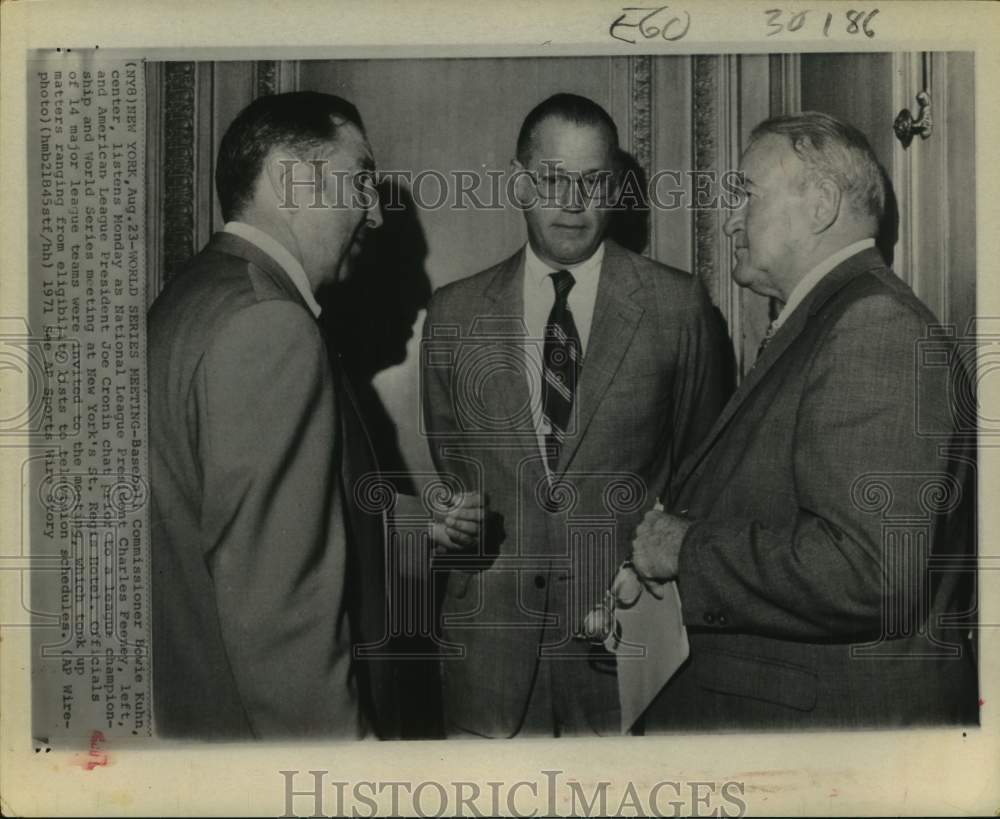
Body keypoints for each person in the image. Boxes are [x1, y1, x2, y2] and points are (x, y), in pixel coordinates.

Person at [626, 111, 978, 729]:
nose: (730, 219)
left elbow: (868, 571)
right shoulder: (829, 319)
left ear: (820, 204)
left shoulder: (875, 328)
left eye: (746, 197)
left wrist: (686, 546)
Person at [148, 92, 478, 740]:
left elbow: (224, 520)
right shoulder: (271, 326)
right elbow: (285, 625)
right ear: (289, 181)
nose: (376, 213)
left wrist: (411, 524)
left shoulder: (193, 298)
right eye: (361, 179)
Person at [421, 93, 733, 737]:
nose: (572, 201)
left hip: (627, 662)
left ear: (614, 187)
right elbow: (455, 477)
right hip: (490, 667)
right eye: (552, 179)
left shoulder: (678, 309)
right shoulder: (452, 316)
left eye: (592, 181)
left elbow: (705, 485)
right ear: (518, 183)